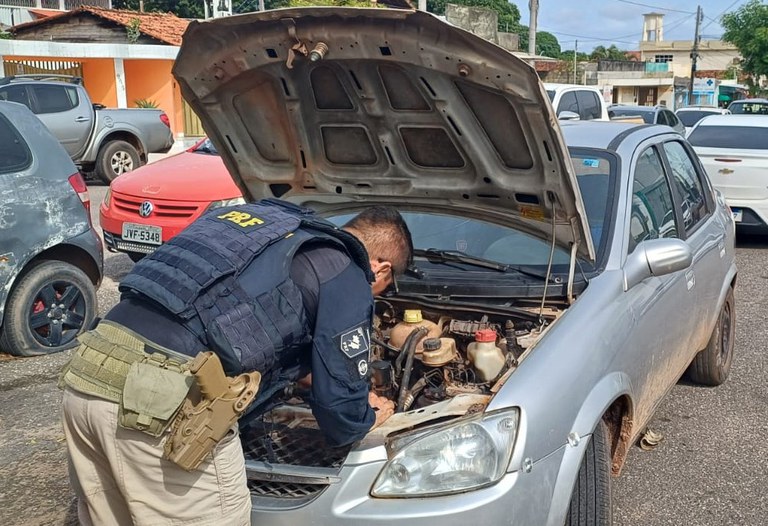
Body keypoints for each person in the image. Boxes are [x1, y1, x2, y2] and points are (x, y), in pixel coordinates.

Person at [59, 199, 413, 526]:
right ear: (381, 268)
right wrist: (367, 415)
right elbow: (340, 411)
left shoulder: (263, 229)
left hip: (89, 373)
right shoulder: (346, 270)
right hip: (157, 404)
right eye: (389, 285)